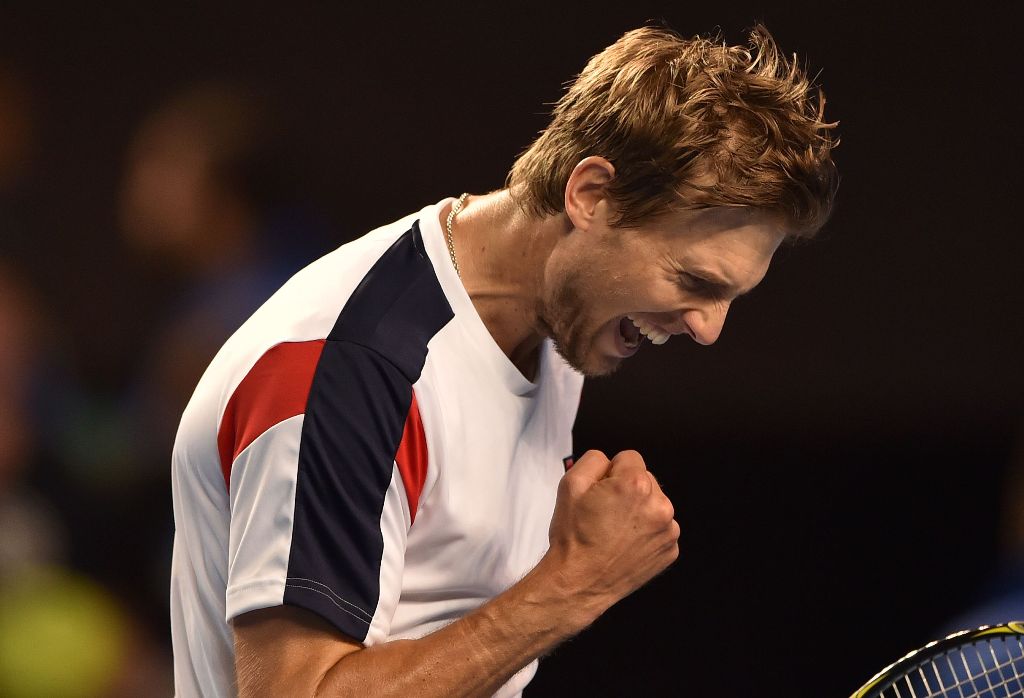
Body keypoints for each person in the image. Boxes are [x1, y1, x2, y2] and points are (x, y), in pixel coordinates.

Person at [171, 25, 838, 697]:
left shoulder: (562, 329)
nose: (709, 329)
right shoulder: (348, 373)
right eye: (695, 281)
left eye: (732, 297)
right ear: (592, 196)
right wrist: (571, 584)